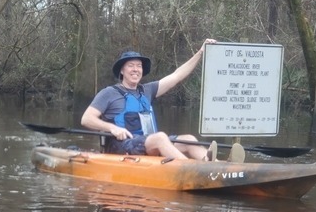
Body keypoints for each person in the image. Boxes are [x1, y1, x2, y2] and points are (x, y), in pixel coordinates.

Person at [80, 41, 219, 161]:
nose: (136, 69)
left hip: (148, 144)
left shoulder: (148, 90)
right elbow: (86, 119)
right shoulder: (108, 93)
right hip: (122, 147)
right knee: (160, 138)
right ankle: (193, 170)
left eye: (139, 66)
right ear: (122, 71)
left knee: (189, 139)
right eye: (131, 65)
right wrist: (112, 128)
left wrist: (201, 52)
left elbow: (177, 75)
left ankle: (218, 166)